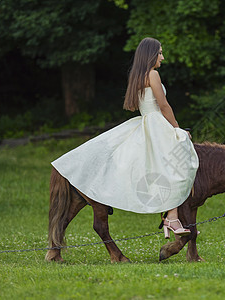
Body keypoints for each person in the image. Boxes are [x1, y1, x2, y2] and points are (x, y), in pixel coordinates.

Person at [51, 37, 199, 238]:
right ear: (151, 55)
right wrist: (178, 129)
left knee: (167, 165)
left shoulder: (137, 76)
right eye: (160, 53)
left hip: (146, 121)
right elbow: (164, 106)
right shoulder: (153, 74)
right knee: (181, 161)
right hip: (157, 123)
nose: (162, 58)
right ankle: (172, 217)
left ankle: (172, 215)